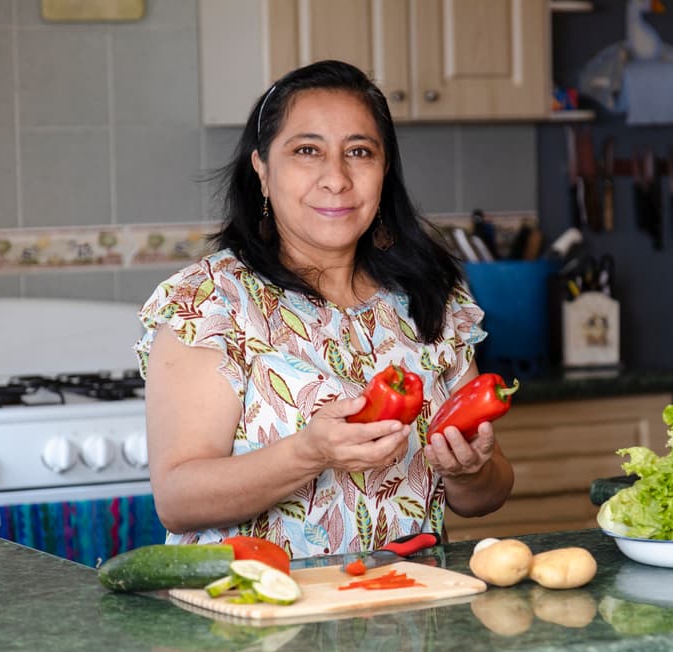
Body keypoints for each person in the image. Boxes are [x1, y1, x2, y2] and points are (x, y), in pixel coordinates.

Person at [135, 60, 513, 559]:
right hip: (256, 601)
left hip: (410, 598)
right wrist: (308, 453)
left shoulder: (429, 297)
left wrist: (469, 471)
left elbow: (485, 496)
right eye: (307, 150)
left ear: (384, 171)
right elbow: (178, 500)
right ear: (262, 170)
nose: (336, 178)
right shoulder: (210, 301)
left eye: (359, 152)